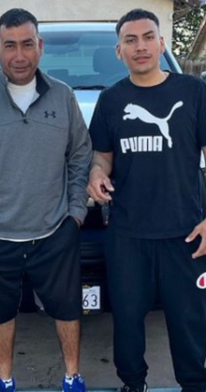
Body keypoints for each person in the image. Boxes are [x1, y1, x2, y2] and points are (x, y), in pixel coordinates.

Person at [0, 8, 91, 392]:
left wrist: (75, 213)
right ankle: (4, 380)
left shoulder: (63, 96)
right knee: (0, 313)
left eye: (27, 44)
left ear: (39, 47)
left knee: (67, 309)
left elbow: (80, 154)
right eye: (10, 45)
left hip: (53, 231)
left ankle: (72, 377)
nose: (19, 55)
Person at [86, 9, 206, 392]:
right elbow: (102, 154)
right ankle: (132, 384)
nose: (141, 46)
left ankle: (194, 383)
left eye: (148, 37)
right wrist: (96, 173)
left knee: (189, 319)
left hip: (185, 232)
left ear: (161, 43)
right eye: (131, 40)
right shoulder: (110, 100)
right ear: (119, 50)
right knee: (127, 318)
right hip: (127, 232)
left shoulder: (194, 92)